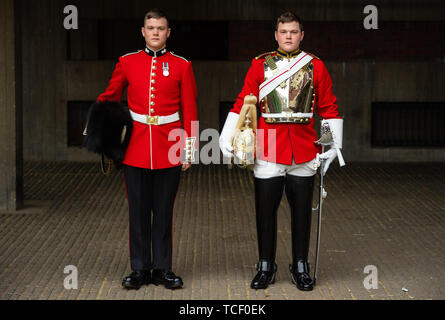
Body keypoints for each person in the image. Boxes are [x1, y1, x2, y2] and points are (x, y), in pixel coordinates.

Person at [219, 11, 343, 291]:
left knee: (301, 213)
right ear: (276, 35)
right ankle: (266, 265)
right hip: (268, 147)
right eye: (283, 32)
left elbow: (328, 108)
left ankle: (300, 265)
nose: (288, 36)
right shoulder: (259, 64)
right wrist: (227, 134)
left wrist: (331, 145)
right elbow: (244, 99)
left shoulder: (316, 66)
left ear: (302, 35)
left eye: (294, 32)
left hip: (304, 148)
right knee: (265, 213)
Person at [96, 9, 198, 290]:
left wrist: (188, 150)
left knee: (164, 212)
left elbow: (190, 109)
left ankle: (163, 269)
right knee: (138, 212)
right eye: (150, 28)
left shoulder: (182, 65)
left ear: (168, 32)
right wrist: (97, 127)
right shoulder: (127, 62)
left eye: (161, 28)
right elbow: (110, 97)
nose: (155, 32)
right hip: (135, 148)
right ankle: (140, 269)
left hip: (169, 147)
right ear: (143, 31)